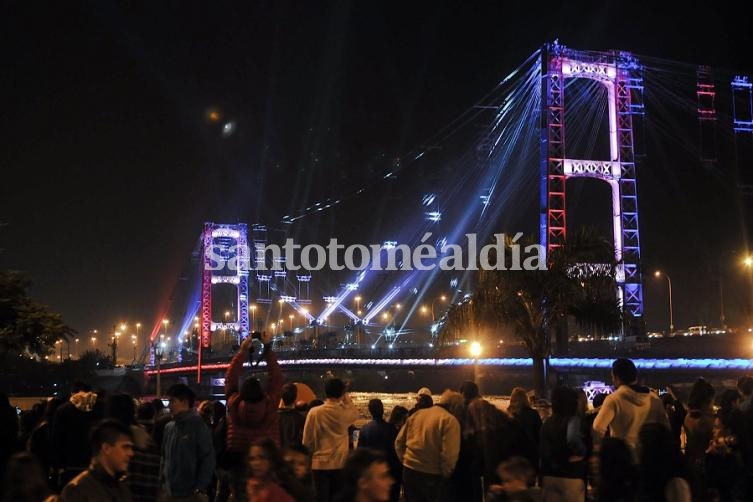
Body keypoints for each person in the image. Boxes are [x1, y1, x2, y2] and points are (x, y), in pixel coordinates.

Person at [225, 332, 283, 499]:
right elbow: (277, 379)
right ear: (261, 392)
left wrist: (243, 351)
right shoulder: (269, 405)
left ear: (242, 393)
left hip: (238, 460)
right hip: (266, 459)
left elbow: (230, 379)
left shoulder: (235, 404)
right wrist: (268, 349)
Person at [592, 358, 669, 459]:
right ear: (635, 376)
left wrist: (603, 451)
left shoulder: (614, 399)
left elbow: (597, 428)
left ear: (616, 377)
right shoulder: (654, 398)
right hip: (648, 458)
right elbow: (666, 427)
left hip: (623, 460)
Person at [394, 387, 461, 502]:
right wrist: (445, 475)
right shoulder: (450, 420)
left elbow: (398, 442)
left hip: (409, 472)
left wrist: (406, 461)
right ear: (454, 407)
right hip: (433, 476)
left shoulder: (417, 414)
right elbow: (449, 454)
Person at [302, 378, 360, 502]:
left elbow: (307, 441)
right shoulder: (343, 413)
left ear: (325, 392)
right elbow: (355, 413)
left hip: (318, 465)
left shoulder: (314, 412)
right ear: (341, 393)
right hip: (339, 464)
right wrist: (345, 396)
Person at [160, 384, 215, 500]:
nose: (169, 406)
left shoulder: (198, 427)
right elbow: (164, 458)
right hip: (168, 492)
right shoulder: (169, 427)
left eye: (172, 401)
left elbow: (208, 459)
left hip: (189, 494)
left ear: (184, 402)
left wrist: (199, 487)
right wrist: (162, 482)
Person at [60, 419, 134, 502]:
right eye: (125, 447)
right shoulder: (77, 490)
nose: (131, 453)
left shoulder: (122, 488)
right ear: (106, 448)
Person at [357, 400, 401, 502]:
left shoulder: (365, 429)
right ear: (383, 410)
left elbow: (361, 451)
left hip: (372, 471)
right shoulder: (392, 429)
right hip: (391, 470)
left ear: (370, 411)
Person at [279, 383, 305, 448]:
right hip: (294, 455)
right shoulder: (301, 418)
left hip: (277, 455)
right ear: (296, 396)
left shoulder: (273, 418)